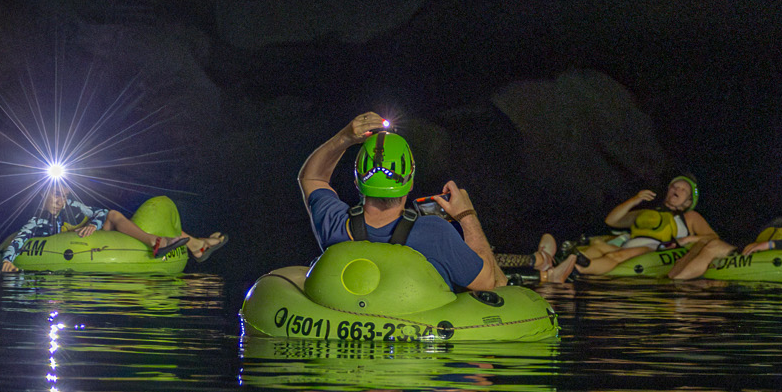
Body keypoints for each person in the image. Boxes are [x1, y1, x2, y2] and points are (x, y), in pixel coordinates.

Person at [297, 112, 505, 292]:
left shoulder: (335, 225)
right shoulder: (436, 234)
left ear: (357, 182)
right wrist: (466, 214)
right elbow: (490, 282)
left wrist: (345, 137)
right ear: (411, 182)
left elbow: (312, 178)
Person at [0, 182, 226, 272]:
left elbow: (99, 213)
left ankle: (177, 244)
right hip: (86, 247)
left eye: (64, 197)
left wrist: (92, 227)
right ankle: (197, 246)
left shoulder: (72, 207)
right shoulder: (38, 222)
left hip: (98, 236)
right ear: (42, 194)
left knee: (113, 215)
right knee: (118, 216)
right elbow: (21, 239)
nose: (61, 201)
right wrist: (8, 260)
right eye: (56, 196)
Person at [534, 174, 717, 281]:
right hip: (631, 243)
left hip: (654, 250)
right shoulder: (647, 213)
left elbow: (712, 238)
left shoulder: (690, 217)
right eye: (673, 186)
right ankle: (555, 265)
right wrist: (636, 199)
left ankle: (576, 270)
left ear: (688, 201)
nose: (676, 189)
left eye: (682, 189)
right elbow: (613, 220)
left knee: (616, 255)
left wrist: (689, 240)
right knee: (599, 246)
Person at [667, 183, 782, 281]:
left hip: (768, 263)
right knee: (703, 244)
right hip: (757, 257)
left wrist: (768, 245)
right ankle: (671, 279)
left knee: (713, 246)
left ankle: (675, 286)